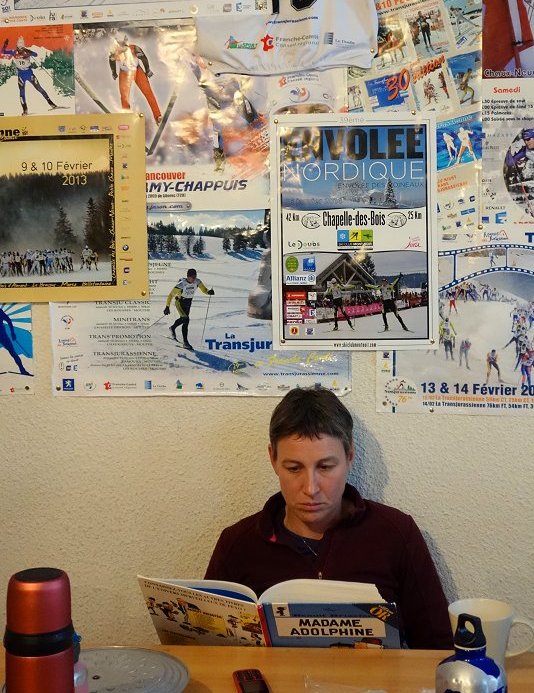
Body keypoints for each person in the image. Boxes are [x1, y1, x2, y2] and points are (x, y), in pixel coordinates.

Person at [205, 387, 452, 649]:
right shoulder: (238, 543)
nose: (310, 488)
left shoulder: (396, 533)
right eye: (294, 468)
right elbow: (206, 648)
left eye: (325, 467)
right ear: (273, 459)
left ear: (349, 457)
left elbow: (440, 648)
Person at [108, 33, 162, 124]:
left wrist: (147, 69)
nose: (122, 47)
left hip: (137, 71)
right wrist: (114, 72)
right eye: (120, 44)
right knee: (124, 97)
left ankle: (158, 116)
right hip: (124, 73)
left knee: (148, 92)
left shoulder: (134, 48)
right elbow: (111, 60)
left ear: (126, 41)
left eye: (123, 44)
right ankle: (126, 116)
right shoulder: (115, 52)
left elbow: (144, 58)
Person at [1, 36, 58, 114]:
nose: (20, 46)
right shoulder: (14, 52)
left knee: (39, 88)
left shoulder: (26, 51)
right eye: (19, 44)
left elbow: (36, 54)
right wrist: (5, 45)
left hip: (29, 74)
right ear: (17, 45)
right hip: (21, 75)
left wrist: (29, 52)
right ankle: (25, 110)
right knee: (22, 92)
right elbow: (3, 52)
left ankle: (51, 104)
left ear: (23, 45)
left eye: (22, 44)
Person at [163, 267, 214, 350]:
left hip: (188, 302)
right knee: (186, 320)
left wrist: (209, 292)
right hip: (180, 303)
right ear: (188, 276)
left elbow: (204, 290)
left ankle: (172, 328)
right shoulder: (181, 284)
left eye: (195, 277)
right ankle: (185, 342)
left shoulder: (197, 281)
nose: (193, 279)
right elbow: (170, 295)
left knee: (183, 319)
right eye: (192, 277)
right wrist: (167, 307)